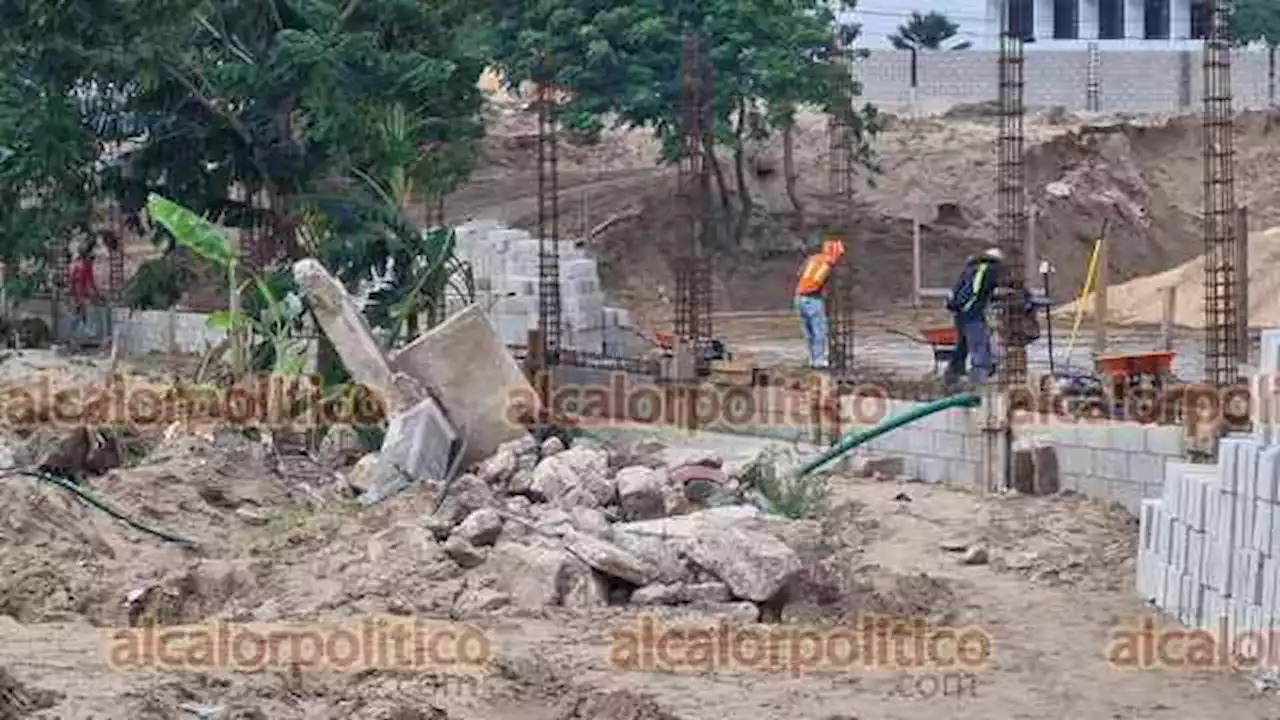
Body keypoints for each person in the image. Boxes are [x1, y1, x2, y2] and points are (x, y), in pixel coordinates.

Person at [944, 247, 1003, 389]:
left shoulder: (971, 268)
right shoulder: (990, 269)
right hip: (973, 313)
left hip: (961, 313)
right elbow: (979, 292)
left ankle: (952, 379)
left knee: (962, 348)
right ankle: (977, 386)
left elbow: (968, 290)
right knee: (979, 350)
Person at [794, 234, 846, 369]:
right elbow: (830, 288)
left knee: (808, 332)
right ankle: (819, 361)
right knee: (819, 332)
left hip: (799, 297)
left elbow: (799, 274)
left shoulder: (812, 259)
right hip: (813, 300)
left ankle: (812, 359)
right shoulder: (829, 264)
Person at [68, 242, 104, 348]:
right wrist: (98, 294)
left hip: (77, 296)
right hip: (81, 296)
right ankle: (81, 337)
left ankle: (73, 339)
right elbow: (90, 282)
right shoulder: (85, 265)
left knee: (78, 317)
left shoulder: (76, 265)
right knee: (88, 317)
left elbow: (73, 282)